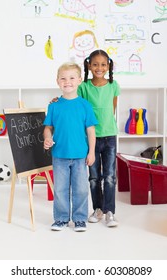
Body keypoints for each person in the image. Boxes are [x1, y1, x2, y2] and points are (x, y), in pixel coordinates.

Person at [43, 62, 98, 232]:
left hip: (81, 155)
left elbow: (91, 131)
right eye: (63, 78)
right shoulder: (54, 105)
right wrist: (47, 138)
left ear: (80, 80)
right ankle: (61, 219)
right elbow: (48, 128)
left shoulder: (85, 105)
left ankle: (80, 219)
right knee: (60, 189)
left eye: (72, 78)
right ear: (57, 81)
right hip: (59, 155)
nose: (68, 81)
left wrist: (92, 152)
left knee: (81, 189)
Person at [77, 49, 120, 227]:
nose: (99, 68)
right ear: (89, 65)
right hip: (91, 138)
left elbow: (112, 108)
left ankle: (110, 211)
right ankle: (98, 209)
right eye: (95, 64)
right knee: (94, 177)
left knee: (109, 176)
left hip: (109, 136)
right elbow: (76, 107)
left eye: (103, 64)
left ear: (108, 66)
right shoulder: (83, 87)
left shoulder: (113, 85)